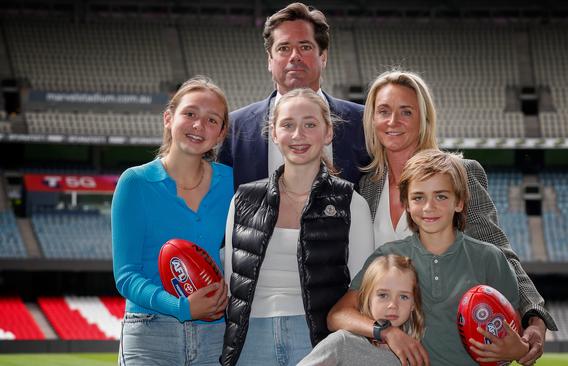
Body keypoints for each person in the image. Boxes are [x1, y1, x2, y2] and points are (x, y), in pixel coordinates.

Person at [331, 70, 556, 366]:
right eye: (383, 111)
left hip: (445, 337)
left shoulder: (459, 174)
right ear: (371, 119)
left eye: (406, 112)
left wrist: (534, 317)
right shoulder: (365, 184)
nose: (393, 121)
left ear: (424, 118)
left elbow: (499, 253)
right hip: (389, 342)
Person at [331, 149, 530, 366]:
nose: (429, 207)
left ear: (460, 202)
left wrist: (517, 349)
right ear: (406, 203)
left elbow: (514, 330)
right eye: (418, 197)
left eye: (441, 196)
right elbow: (338, 315)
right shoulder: (388, 257)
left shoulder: (490, 258)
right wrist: (387, 332)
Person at [221, 88, 374, 366]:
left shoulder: (352, 203)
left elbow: (359, 291)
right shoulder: (243, 199)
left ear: (328, 133)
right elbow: (235, 280)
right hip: (251, 339)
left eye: (310, 124)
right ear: (275, 134)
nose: (298, 135)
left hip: (318, 342)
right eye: (288, 125)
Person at [111, 76, 232, 365]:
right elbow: (126, 275)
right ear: (169, 118)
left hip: (215, 334)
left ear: (221, 133)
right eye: (190, 113)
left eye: (212, 120)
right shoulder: (135, 183)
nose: (198, 126)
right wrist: (181, 307)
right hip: (150, 332)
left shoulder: (232, 183)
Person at [219, 2, 368, 189]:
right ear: (269, 60)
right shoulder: (235, 128)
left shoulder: (363, 121)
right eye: (283, 48)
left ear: (323, 57)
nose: (294, 56)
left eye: (305, 47)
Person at [298, 254, 424, 366]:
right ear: (367, 299)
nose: (393, 305)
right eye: (383, 295)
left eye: (403, 297)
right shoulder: (343, 342)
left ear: (413, 304)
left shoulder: (413, 354)